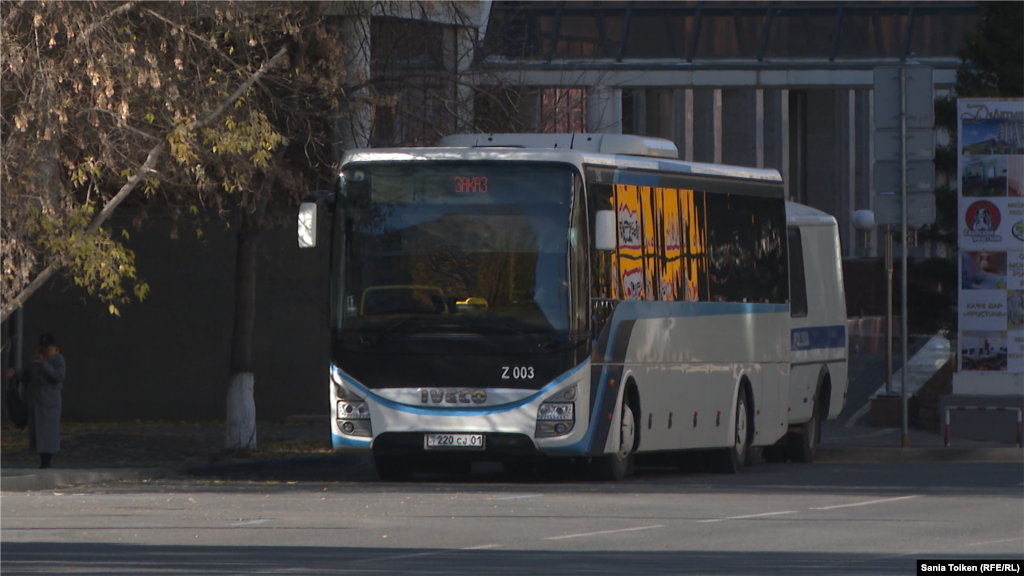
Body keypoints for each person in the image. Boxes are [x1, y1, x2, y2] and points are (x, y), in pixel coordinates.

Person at [5, 333, 65, 469]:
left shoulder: (57, 359)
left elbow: (58, 376)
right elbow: (27, 376)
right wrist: (16, 373)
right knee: (37, 433)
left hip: (49, 402)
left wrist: (45, 365)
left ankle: (46, 461)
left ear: (52, 347)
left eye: (46, 347)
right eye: (42, 347)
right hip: (35, 401)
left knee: (48, 433)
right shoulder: (35, 359)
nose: (43, 350)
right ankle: (41, 458)